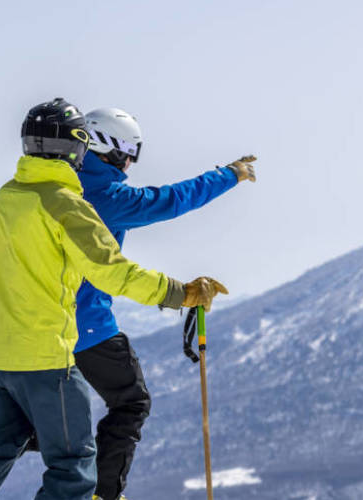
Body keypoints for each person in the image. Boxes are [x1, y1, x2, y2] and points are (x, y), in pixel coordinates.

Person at [0, 98, 227, 500]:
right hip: (46, 359)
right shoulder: (66, 205)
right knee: (73, 467)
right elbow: (114, 271)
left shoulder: (6, 197)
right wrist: (183, 293)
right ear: (77, 147)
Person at [72, 107, 255, 500]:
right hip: (86, 325)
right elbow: (170, 201)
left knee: (36, 416)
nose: (130, 164)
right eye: (129, 153)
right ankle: (103, 495)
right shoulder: (105, 195)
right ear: (110, 148)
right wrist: (229, 175)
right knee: (131, 401)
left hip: (44, 323)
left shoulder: (62, 190)